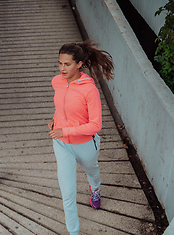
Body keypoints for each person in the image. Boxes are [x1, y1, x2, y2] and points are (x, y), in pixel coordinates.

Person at [48, 40, 114, 235]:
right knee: (68, 194)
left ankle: (95, 189)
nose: (62, 68)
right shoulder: (57, 82)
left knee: (92, 171)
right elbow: (61, 106)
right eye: (60, 63)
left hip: (85, 143)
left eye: (67, 64)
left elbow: (95, 125)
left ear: (79, 64)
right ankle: (74, 232)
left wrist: (65, 131)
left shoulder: (89, 90)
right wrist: (55, 120)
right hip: (61, 144)